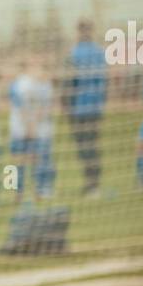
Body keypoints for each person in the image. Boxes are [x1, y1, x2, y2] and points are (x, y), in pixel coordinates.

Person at [61, 18, 107, 196]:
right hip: (95, 108)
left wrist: (66, 105)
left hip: (80, 109)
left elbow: (69, 82)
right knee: (93, 144)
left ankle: (92, 185)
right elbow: (104, 82)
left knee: (85, 147)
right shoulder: (100, 53)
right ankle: (94, 184)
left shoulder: (74, 53)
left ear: (79, 31)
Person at [8, 56, 55, 200]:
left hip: (39, 130)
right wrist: (29, 127)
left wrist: (33, 126)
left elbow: (44, 107)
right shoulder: (19, 84)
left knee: (40, 159)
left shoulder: (45, 85)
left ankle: (41, 190)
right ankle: (15, 191)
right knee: (18, 160)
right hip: (20, 129)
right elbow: (19, 107)